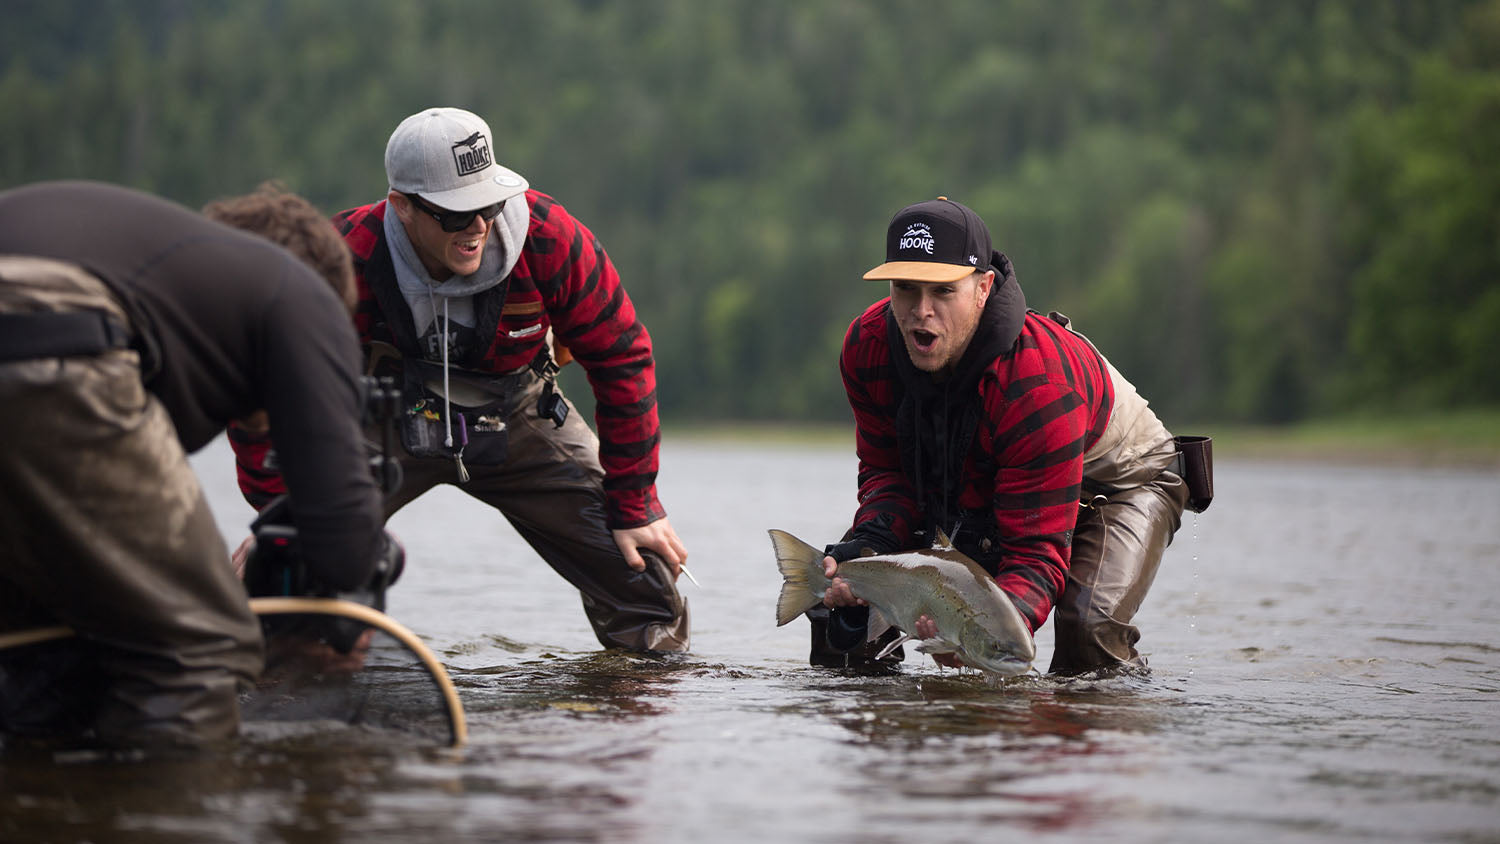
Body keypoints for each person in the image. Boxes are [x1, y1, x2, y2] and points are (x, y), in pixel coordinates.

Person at [228, 107, 690, 652]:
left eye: (489, 204)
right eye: (454, 213)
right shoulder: (344, 256)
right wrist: (280, 512)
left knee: (643, 572)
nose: (478, 226)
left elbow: (622, 355)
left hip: (520, 411)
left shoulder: (549, 237)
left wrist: (634, 502)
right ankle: (299, 702)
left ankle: (636, 707)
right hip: (381, 419)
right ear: (401, 206)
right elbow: (264, 384)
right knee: (291, 566)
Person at [0, 181, 393, 745]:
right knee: (200, 648)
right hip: (46, 338)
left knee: (45, 643)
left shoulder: (165, 288)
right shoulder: (299, 286)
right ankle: (166, 815)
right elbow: (343, 543)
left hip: (39, 349)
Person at [814, 197, 1191, 675]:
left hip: (1122, 483)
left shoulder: (1036, 383)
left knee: (1086, 624)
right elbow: (890, 475)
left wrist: (976, 634)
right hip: (1001, 483)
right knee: (841, 598)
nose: (920, 312)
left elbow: (1034, 553)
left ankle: (1102, 726)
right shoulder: (867, 348)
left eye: (943, 291)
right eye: (906, 289)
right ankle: (888, 736)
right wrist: (866, 552)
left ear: (983, 288)